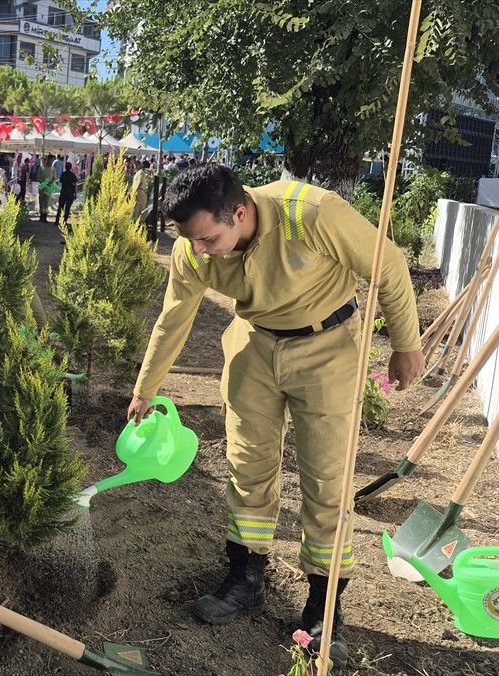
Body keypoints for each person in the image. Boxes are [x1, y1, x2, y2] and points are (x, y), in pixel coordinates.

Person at [126, 165, 424, 667]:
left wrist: (405, 344)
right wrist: (144, 390)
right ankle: (245, 579)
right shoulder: (191, 248)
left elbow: (389, 264)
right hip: (254, 345)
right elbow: (173, 316)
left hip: (326, 347)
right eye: (190, 240)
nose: (198, 250)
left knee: (327, 479)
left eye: (208, 238)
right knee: (247, 466)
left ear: (240, 213)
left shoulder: (312, 214)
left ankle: (322, 609)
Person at [56, 161, 78, 226]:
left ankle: (57, 221)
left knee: (60, 207)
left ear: (65, 167)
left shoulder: (63, 174)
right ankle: (64, 222)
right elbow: (75, 184)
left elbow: (60, 181)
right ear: (71, 167)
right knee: (67, 208)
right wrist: (76, 194)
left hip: (63, 191)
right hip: (70, 192)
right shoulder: (73, 175)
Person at [36, 154, 56, 223]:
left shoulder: (53, 169)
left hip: (49, 188)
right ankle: (41, 216)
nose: (52, 161)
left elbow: (54, 178)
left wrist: (51, 183)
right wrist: (44, 182)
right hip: (42, 187)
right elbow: (38, 177)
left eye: (53, 160)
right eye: (51, 160)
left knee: (46, 202)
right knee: (41, 201)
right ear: (48, 159)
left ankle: (45, 216)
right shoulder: (41, 168)